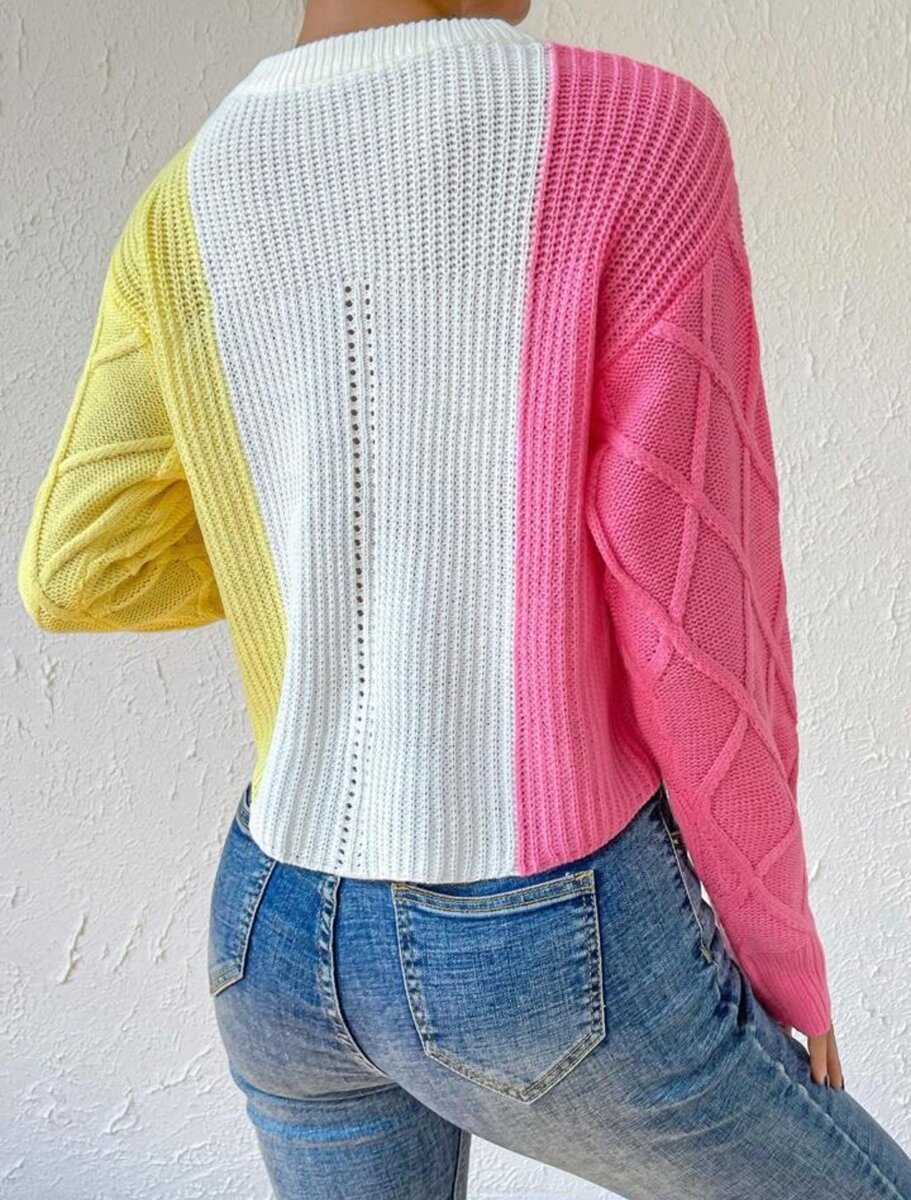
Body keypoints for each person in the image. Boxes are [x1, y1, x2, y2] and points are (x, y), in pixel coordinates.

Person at [16, 1, 911, 1196]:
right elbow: (697, 618)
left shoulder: (183, 200)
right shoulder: (635, 133)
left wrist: (316, 551)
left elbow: (79, 565)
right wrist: (781, 961)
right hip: (537, 941)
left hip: (272, 928)